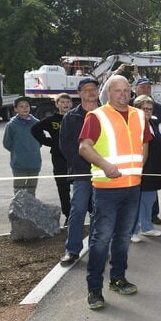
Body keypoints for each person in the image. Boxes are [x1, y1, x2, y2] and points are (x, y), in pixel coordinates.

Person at [79, 75, 152, 310]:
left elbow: (145, 142)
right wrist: (105, 165)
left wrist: (139, 164)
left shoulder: (139, 115)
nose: (123, 94)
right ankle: (94, 290)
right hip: (106, 190)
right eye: (117, 90)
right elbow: (84, 147)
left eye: (126, 90)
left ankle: (118, 279)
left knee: (123, 237)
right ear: (108, 93)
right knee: (101, 239)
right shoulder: (97, 116)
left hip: (132, 187)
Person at [58, 77, 99, 266]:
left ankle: (98, 248)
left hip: (104, 171)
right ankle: (72, 250)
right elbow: (65, 145)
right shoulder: (71, 117)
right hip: (83, 172)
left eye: (94, 89)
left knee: (101, 212)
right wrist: (85, 162)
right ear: (80, 93)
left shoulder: (107, 114)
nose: (91, 92)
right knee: (79, 209)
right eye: (87, 89)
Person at [31, 93, 73, 222]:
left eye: (67, 102)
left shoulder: (75, 118)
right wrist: (49, 142)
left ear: (71, 104)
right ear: (56, 104)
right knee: (63, 187)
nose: (65, 104)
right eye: (62, 102)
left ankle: (82, 213)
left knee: (81, 187)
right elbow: (35, 129)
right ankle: (68, 214)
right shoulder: (52, 120)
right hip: (59, 158)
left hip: (76, 158)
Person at [130, 95, 161, 242]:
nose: (148, 111)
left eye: (150, 109)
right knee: (135, 203)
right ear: (137, 109)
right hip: (141, 168)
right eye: (144, 109)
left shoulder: (153, 123)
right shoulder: (133, 124)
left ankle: (147, 227)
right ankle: (132, 231)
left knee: (149, 200)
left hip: (154, 168)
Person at [3, 96, 41, 195]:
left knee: (31, 191)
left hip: (34, 163)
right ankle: (18, 210)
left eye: (27, 106)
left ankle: (30, 210)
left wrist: (33, 149)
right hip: (19, 164)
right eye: (21, 106)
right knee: (18, 191)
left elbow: (41, 141)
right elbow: (7, 143)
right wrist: (18, 151)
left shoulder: (36, 123)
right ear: (15, 109)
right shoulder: (11, 125)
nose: (25, 108)